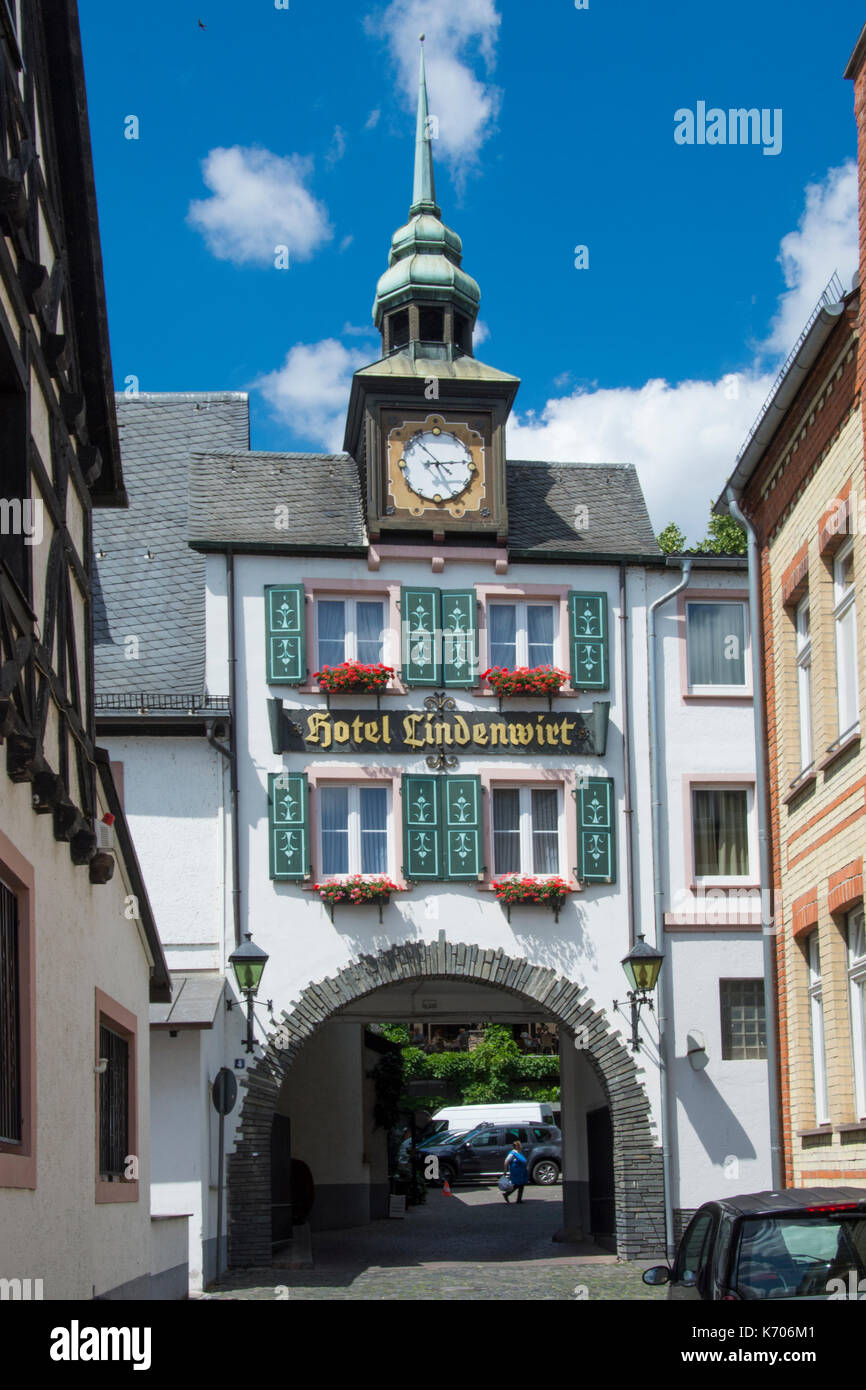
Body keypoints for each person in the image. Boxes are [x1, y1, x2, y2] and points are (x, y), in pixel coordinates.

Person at [502, 1138, 529, 1203]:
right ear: (516, 1146)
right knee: (517, 1184)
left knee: (521, 1184)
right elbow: (506, 1161)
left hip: (521, 1171)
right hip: (516, 1172)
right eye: (519, 1145)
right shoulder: (512, 1153)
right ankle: (507, 1194)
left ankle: (519, 1199)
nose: (521, 1146)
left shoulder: (518, 1152)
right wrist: (505, 1171)